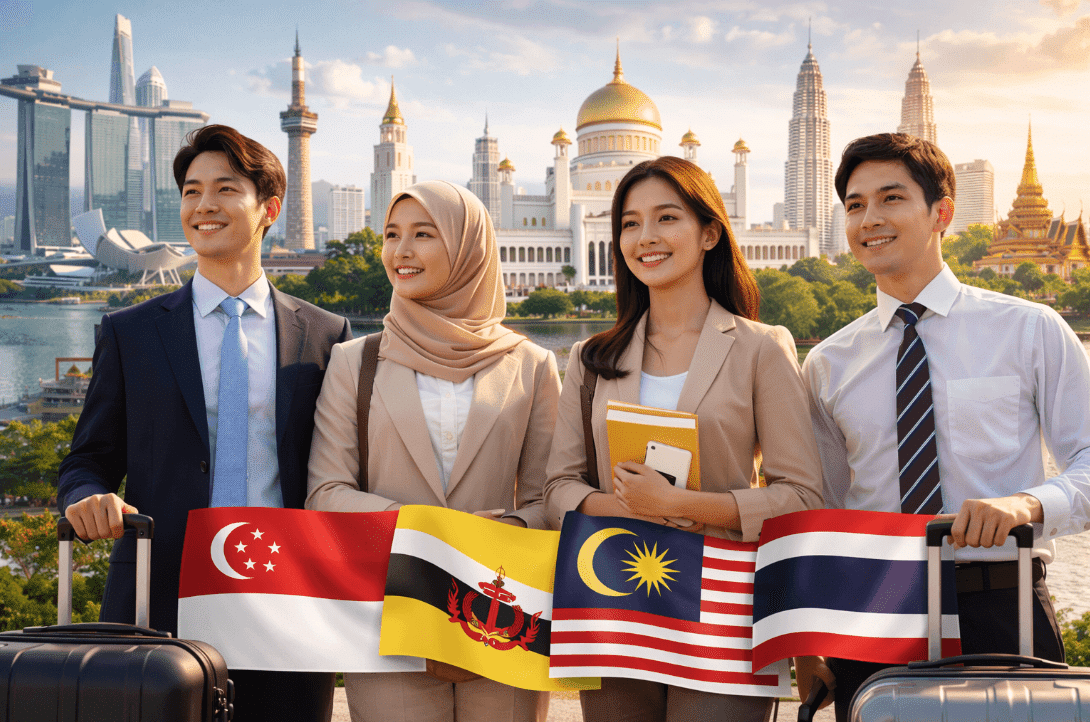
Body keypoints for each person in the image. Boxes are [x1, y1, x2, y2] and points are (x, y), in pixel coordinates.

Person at [58, 124, 350, 722]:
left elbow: (345, 467)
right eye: (191, 191)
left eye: (224, 189)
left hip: (286, 596)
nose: (203, 206)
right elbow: (88, 459)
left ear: (268, 209)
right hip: (159, 592)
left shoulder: (325, 336)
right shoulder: (131, 332)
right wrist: (86, 496)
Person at [797, 132, 1090, 721]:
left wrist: (1026, 504)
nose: (869, 219)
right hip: (872, 609)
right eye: (855, 205)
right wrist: (809, 637)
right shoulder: (828, 362)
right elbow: (824, 512)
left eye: (890, 198)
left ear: (942, 213)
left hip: (1002, 606)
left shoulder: (1030, 330)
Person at [543, 156, 824, 722]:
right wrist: (628, 506)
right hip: (615, 598)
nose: (645, 238)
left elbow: (803, 497)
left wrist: (680, 506)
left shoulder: (760, 347)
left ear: (710, 232)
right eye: (629, 223)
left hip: (724, 603)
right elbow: (556, 489)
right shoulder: (591, 358)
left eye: (666, 218)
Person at [305, 179, 560, 722]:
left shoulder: (531, 365)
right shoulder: (357, 362)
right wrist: (433, 535)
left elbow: (548, 498)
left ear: (469, 248)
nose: (402, 251)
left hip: (502, 613)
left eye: (424, 234)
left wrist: (513, 525)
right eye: (392, 235)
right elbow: (325, 494)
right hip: (387, 613)